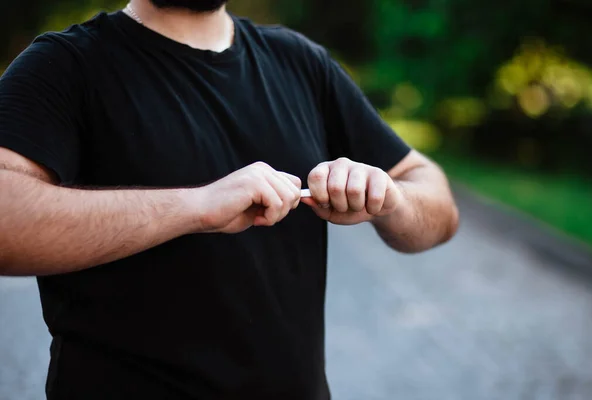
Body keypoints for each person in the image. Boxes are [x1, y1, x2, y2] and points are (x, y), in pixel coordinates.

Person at [0, 0, 459, 398]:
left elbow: (435, 200)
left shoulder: (301, 62)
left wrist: (389, 197)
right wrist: (197, 207)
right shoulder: (64, 65)